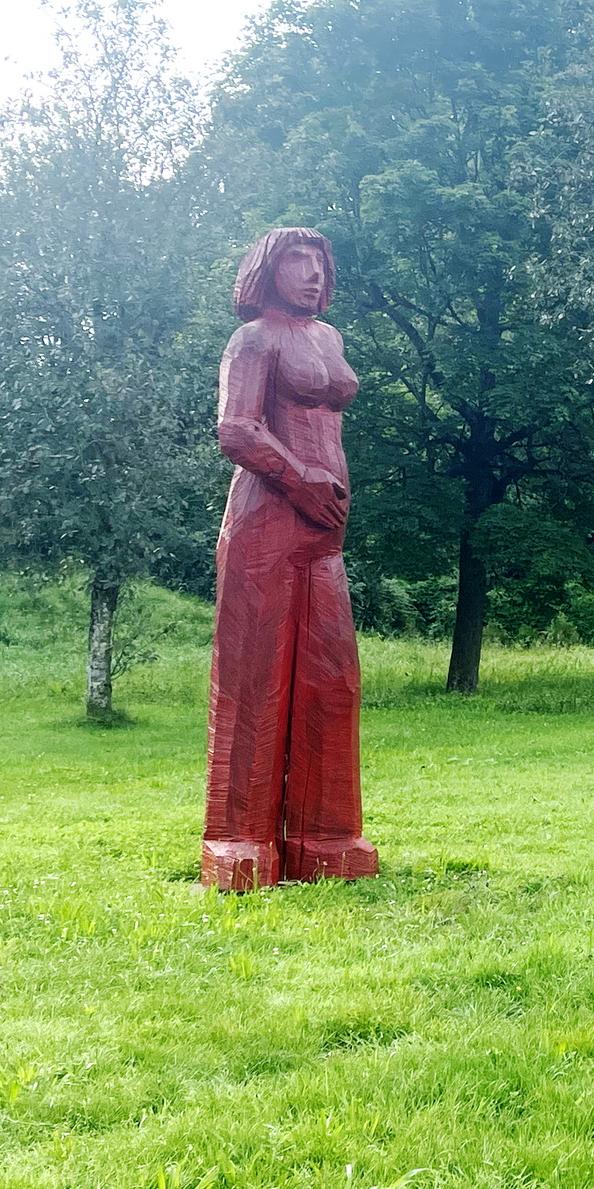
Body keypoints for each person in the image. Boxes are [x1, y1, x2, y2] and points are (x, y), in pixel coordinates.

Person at [201, 227, 379, 889]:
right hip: (266, 521)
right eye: (297, 260)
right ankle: (239, 839)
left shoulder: (329, 339)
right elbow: (236, 429)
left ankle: (327, 837)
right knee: (254, 679)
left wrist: (320, 496)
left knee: (333, 679)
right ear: (267, 271)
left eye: (320, 261)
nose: (312, 272)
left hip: (323, 534)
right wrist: (302, 480)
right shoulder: (253, 339)